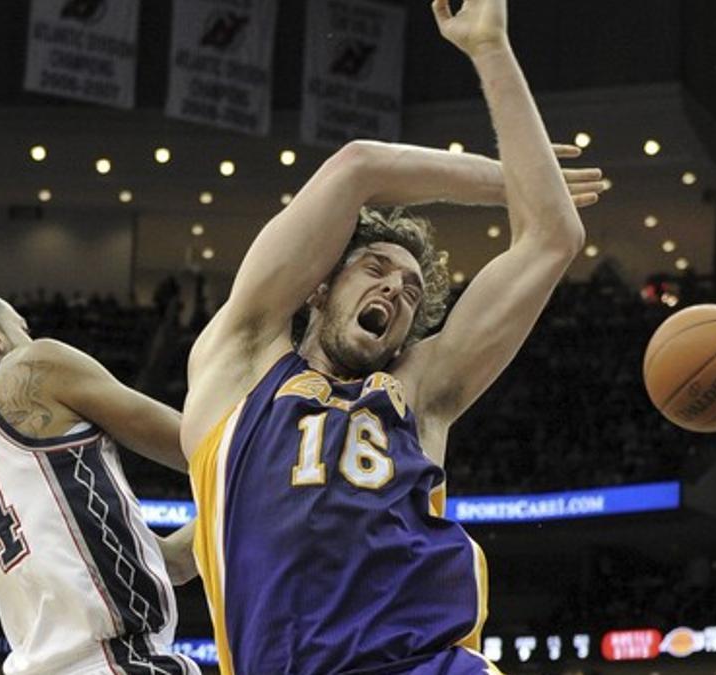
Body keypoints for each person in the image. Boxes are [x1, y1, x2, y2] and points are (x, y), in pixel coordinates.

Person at [180, 0, 604, 672]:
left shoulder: (418, 390)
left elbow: (554, 236)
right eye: (375, 269)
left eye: (413, 292)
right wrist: (509, 182)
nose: (395, 292)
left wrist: (491, 48)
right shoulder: (242, 360)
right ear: (319, 287)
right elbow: (357, 167)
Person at [0, 289, 200, 674]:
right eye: (22, 328)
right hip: (114, 661)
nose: (29, 339)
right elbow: (198, 449)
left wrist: (238, 497)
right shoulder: (29, 366)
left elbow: (171, 564)